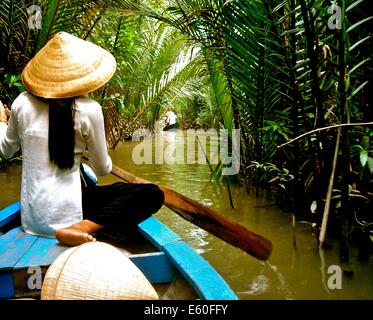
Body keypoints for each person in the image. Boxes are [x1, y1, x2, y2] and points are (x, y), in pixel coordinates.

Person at [0, 32, 164, 246]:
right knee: (152, 193)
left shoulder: (21, 103)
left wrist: (2, 121)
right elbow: (102, 169)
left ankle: (76, 227)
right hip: (72, 214)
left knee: (85, 177)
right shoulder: (89, 109)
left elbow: (5, 150)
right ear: (79, 76)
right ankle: (82, 227)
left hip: (33, 220)